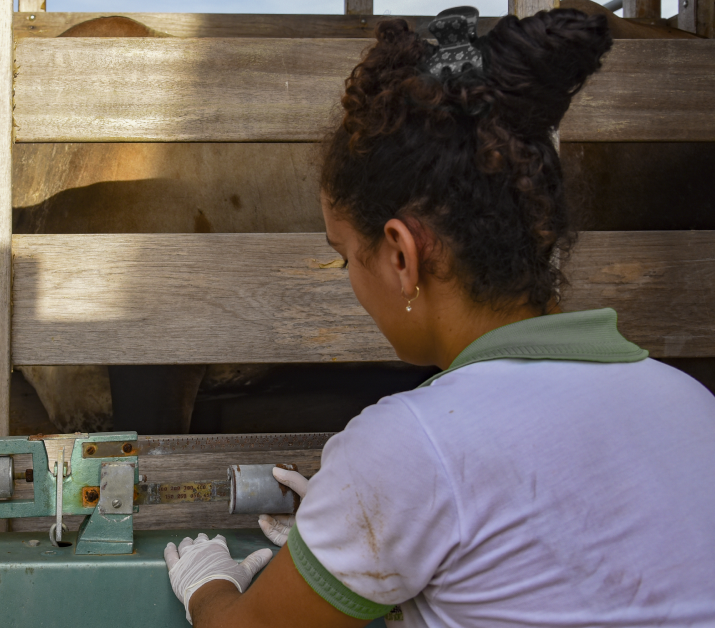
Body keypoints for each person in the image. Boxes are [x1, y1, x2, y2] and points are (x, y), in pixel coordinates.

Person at [163, 6, 715, 627]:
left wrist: (208, 584)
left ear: (401, 255)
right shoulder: (693, 405)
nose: (349, 279)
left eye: (345, 256)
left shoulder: (411, 445)